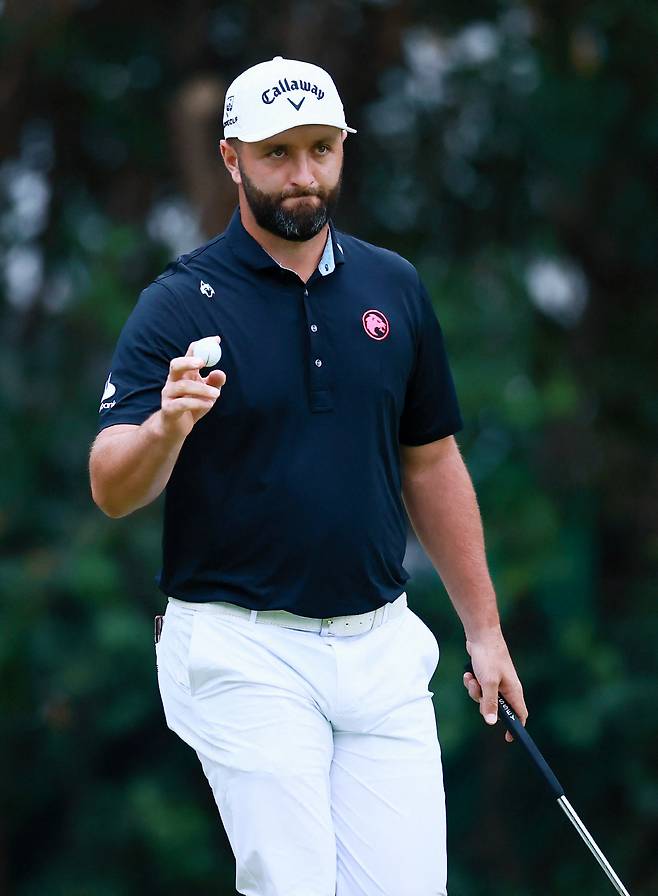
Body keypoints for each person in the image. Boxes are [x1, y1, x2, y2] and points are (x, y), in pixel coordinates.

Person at [89, 56, 527, 896]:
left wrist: (485, 630)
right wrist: (166, 428)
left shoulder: (392, 287)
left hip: (380, 648)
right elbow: (111, 485)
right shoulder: (179, 303)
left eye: (321, 149)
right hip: (241, 646)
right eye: (277, 153)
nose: (302, 175)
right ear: (231, 159)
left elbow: (431, 458)